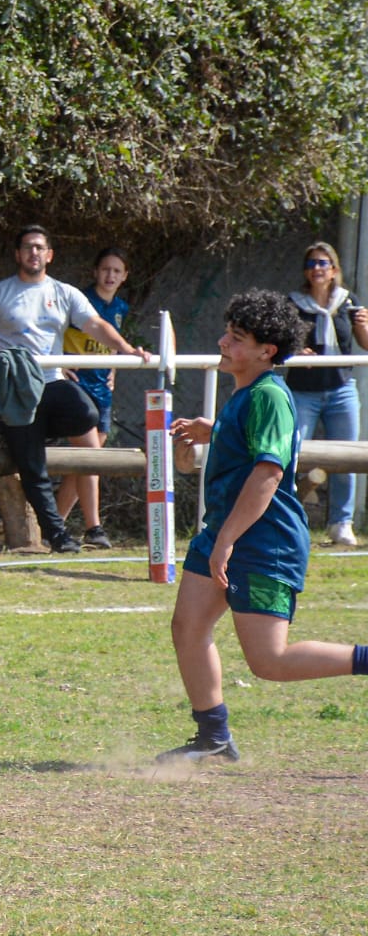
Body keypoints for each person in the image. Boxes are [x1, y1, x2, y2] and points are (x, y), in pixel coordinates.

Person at [159, 290, 368, 764]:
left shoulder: (270, 395)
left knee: (269, 661)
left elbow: (269, 473)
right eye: (227, 333)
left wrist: (227, 542)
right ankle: (212, 738)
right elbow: (249, 445)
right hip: (226, 532)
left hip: (262, 541)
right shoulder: (246, 393)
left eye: (236, 338)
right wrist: (211, 433)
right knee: (188, 627)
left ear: (265, 351)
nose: (222, 342)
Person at [0, 225, 150, 554]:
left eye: (39, 248)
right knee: (32, 466)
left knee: (86, 414)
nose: (33, 253)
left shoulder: (64, 293)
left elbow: (95, 324)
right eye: (27, 247)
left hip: (51, 382)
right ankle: (58, 535)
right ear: (17, 254)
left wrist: (127, 350)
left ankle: (36, 436)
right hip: (14, 391)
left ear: (49, 255)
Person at [285, 241, 368, 547]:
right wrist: (296, 349)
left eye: (322, 263)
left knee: (346, 457)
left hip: (341, 389)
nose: (316, 269)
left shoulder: (348, 302)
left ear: (334, 270)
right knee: (294, 455)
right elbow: (281, 343)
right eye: (311, 264)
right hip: (303, 391)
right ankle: (292, 521)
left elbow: (364, 344)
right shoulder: (293, 304)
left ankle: (341, 523)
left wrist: (364, 325)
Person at [56, 247, 134, 549]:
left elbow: (112, 344)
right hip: (78, 387)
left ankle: (53, 525)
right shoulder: (80, 303)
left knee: (85, 463)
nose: (110, 275)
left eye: (117, 271)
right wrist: (58, 363)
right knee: (90, 460)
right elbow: (53, 333)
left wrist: (114, 369)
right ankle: (94, 528)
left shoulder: (120, 308)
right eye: (105, 269)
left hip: (102, 389)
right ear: (95, 272)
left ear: (125, 276)